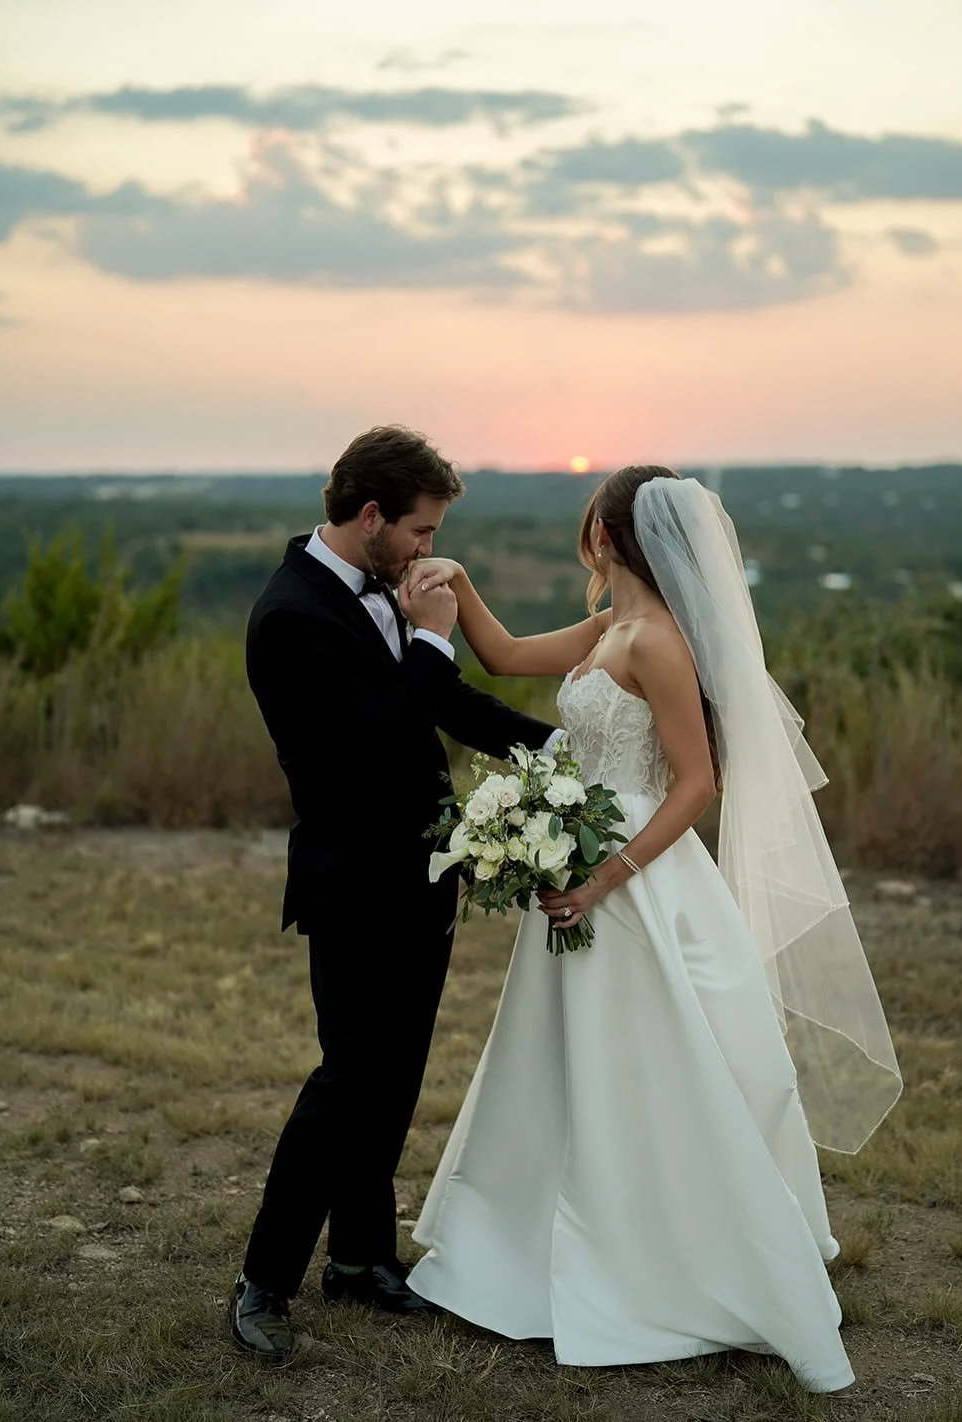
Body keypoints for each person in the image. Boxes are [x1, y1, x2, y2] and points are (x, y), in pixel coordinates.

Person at [402, 465, 902, 1392]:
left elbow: (696, 784)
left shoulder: (660, 643)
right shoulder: (606, 628)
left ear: (611, 531)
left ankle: (668, 1256)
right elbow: (507, 657)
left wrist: (603, 878)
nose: (581, 528)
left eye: (590, 515)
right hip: (577, 857)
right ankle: (534, 1243)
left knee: (653, 1058)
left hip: (631, 874)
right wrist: (459, 586)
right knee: (567, 1056)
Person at [229, 425, 562, 1361]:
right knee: (345, 1083)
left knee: (395, 1077)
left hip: (424, 874)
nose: (429, 551)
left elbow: (449, 706)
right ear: (370, 516)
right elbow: (378, 733)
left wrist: (562, 754)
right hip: (352, 886)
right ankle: (263, 1280)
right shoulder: (289, 614)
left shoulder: (385, 592)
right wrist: (427, 637)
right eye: (419, 532)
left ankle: (360, 1259)